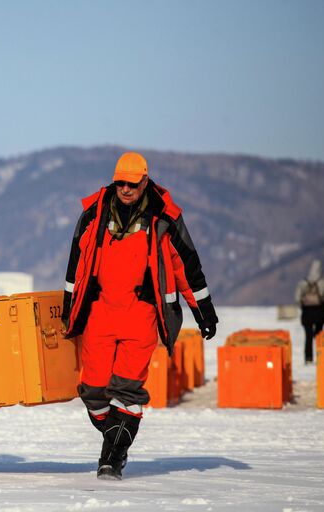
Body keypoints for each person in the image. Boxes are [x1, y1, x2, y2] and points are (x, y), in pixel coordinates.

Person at [61, 151, 218, 481]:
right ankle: (113, 436)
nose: (126, 189)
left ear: (145, 181)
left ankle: (112, 459)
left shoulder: (165, 217)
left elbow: (188, 266)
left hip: (142, 313)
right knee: (92, 389)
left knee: (128, 390)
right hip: (99, 311)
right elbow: (76, 262)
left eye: (132, 184)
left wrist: (204, 311)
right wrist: (67, 305)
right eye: (120, 183)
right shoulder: (94, 212)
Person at [294, 260, 324, 363]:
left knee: (308, 336)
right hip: (319, 312)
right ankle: (321, 356)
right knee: (319, 337)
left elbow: (297, 298)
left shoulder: (303, 283)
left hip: (307, 313)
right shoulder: (323, 283)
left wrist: (303, 306)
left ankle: (308, 358)